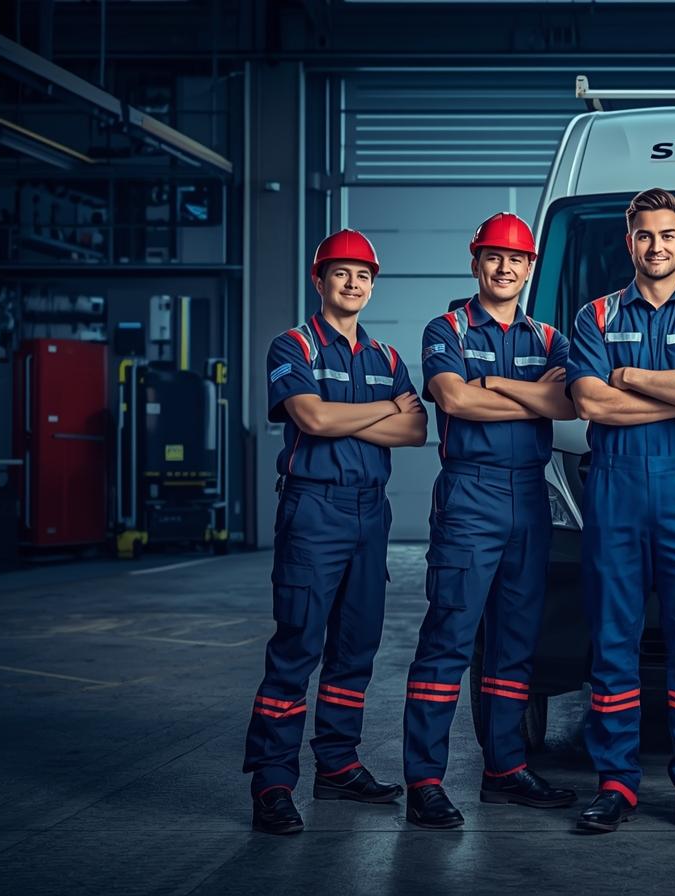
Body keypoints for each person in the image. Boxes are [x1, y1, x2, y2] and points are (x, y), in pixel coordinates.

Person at [566, 188, 675, 836]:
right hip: (614, 492)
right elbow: (589, 403)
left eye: (668, 235)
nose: (657, 246)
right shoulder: (596, 316)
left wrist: (631, 376)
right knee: (614, 645)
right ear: (629, 240)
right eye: (646, 235)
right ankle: (616, 783)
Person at [245, 228, 427, 835]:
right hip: (313, 509)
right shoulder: (291, 345)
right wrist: (382, 411)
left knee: (356, 646)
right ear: (319, 280)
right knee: (297, 646)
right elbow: (312, 417)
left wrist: (348, 418)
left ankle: (337, 764)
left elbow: (416, 431)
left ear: (372, 286)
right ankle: (272, 780)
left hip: (369, 512)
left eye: (364, 276)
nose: (353, 284)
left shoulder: (388, 358)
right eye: (341, 273)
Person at [402, 213, 580, 829]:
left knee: (514, 642)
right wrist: (529, 393)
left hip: (530, 498)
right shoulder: (444, 327)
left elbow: (568, 402)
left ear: (530, 269)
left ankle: (505, 769)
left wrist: (495, 384)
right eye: (493, 257)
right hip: (469, 497)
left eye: (516, 260)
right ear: (475, 262)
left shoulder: (551, 338)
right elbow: (451, 398)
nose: (505, 268)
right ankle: (424, 780)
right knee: (448, 640)